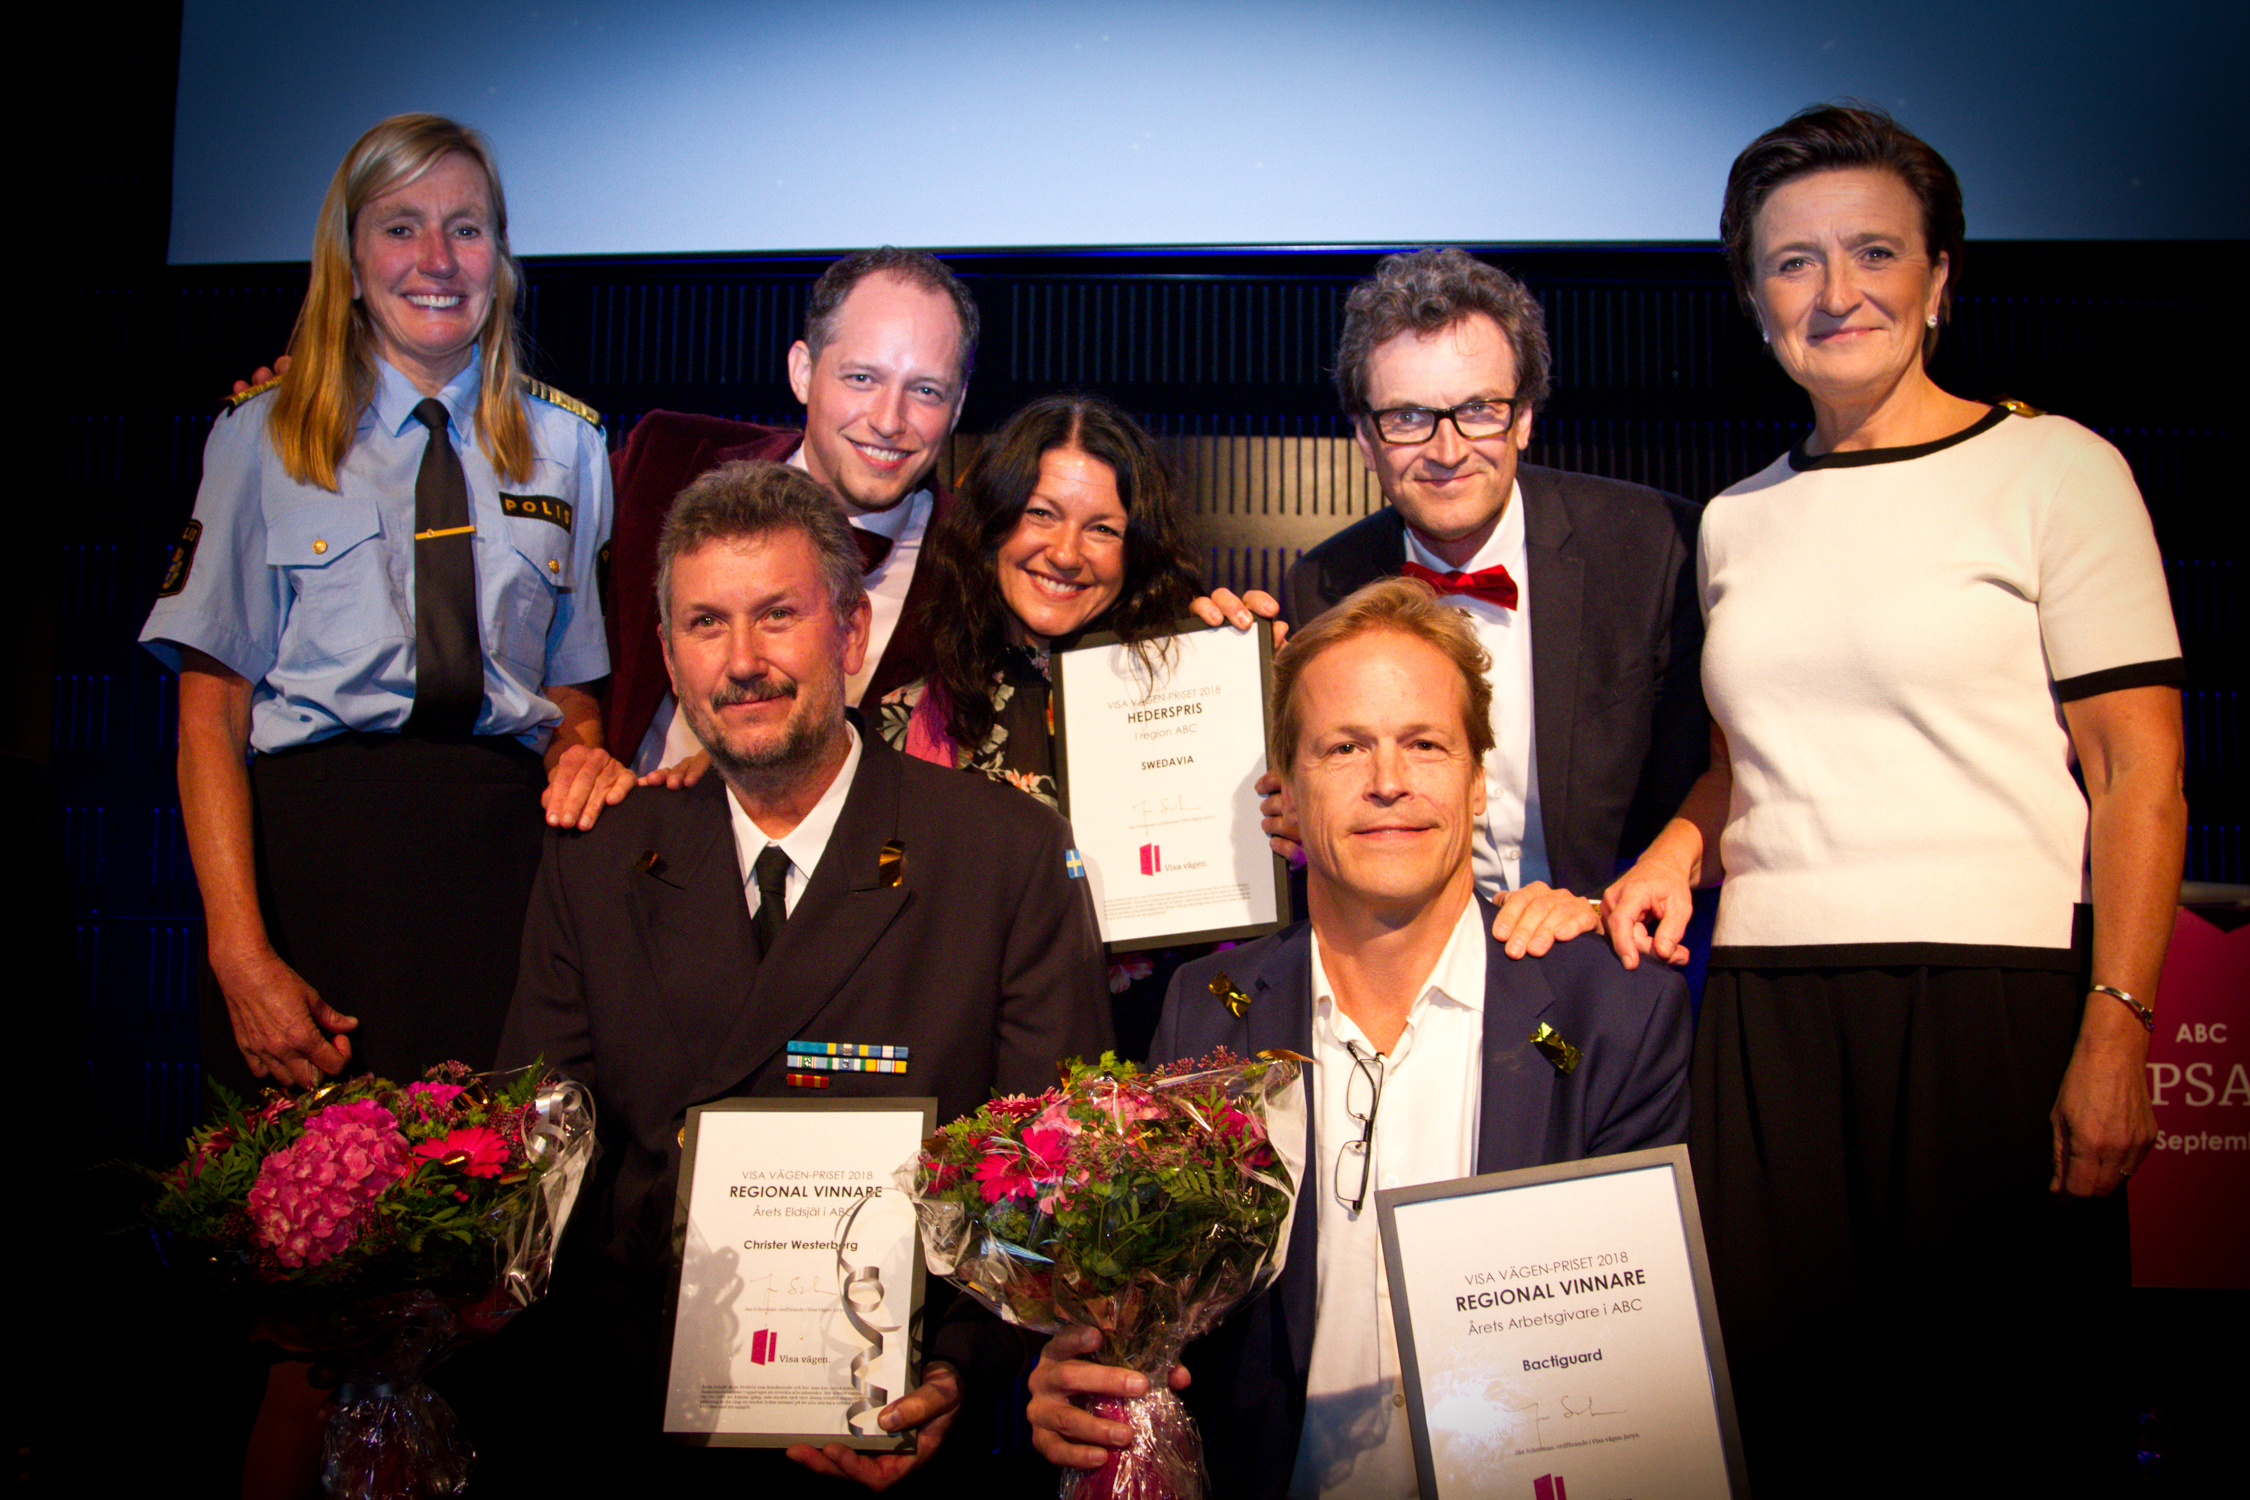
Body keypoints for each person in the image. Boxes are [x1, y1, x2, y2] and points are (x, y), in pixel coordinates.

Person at [1599, 104, 2187, 1493]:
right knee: (1791, 1424)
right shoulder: (1735, 519)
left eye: (1873, 251)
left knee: (1997, 1424)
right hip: (1764, 1016)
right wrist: (1675, 848)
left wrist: (2117, 1022)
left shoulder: (2057, 470)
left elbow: (2140, 773)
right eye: (1791, 261)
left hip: (1989, 1006)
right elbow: (1745, 761)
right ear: (1754, 300)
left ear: (1939, 279)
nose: (1836, 290)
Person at [497, 458, 1113, 1489]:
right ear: (668, 655)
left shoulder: (1005, 853)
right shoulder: (596, 859)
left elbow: (1054, 1178)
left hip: (911, 1433)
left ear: (852, 633)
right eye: (706, 624)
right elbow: (538, 1182)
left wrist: (960, 1368)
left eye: (778, 615)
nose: (743, 662)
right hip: (643, 1431)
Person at [1027, 577, 1693, 1499]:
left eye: (1426, 744)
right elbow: (1155, 1321)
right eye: (1345, 747)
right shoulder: (1205, 1015)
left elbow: (1641, 1368)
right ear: (1287, 793)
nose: (1388, 781)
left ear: (1477, 781)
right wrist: (1090, 1375)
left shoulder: (1613, 1016)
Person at [139, 113, 627, 1095]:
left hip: (507, 880)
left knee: (504, 1182)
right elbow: (208, 720)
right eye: (402, 227)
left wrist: (580, 754)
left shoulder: (570, 447)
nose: (437, 259)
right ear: (351, 260)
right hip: (316, 878)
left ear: (501, 259)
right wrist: (239, 954)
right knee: (317, 1184)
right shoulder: (263, 435)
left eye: (467, 228)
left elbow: (573, 695)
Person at [1273, 250, 1708, 960]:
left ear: (1524, 418)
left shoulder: (1655, 545)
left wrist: (1601, 904)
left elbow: (1718, 779)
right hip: (1412, 960)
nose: (1447, 450)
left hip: (1620, 954)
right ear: (1365, 439)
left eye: (1478, 410)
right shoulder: (1320, 587)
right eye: (1408, 417)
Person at [874, 393, 1205, 1055]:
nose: (1066, 553)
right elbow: (878, 939)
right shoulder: (900, 725)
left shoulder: (1195, 701)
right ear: (992, 522)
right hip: (972, 1090)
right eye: (1041, 514)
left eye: (1103, 529)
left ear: (1136, 550)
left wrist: (1257, 691)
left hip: (1164, 1075)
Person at [607, 248, 977, 773]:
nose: (889, 421)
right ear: (803, 372)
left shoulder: (980, 565)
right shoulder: (666, 459)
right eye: (862, 379)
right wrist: (574, 740)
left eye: (925, 390)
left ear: (957, 406)